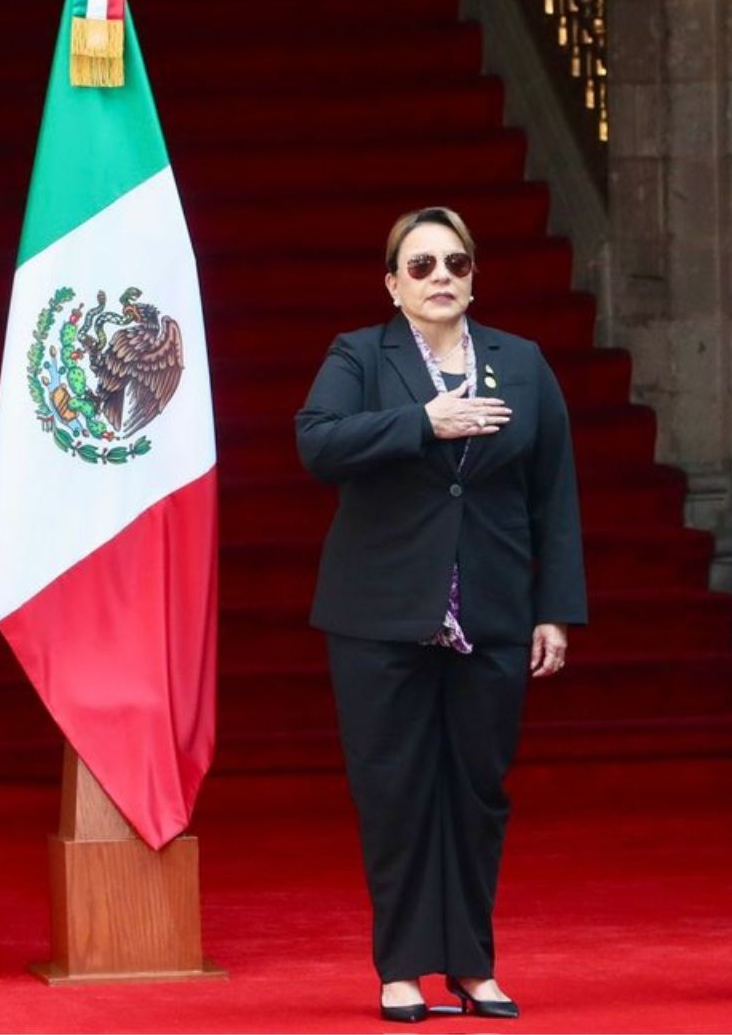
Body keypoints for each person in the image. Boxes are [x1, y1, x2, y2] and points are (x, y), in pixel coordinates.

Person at [295, 206, 587, 1023]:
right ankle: (401, 968)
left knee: (478, 792)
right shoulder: (360, 354)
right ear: (392, 284)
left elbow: (554, 492)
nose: (440, 278)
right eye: (420, 266)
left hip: (491, 610)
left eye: (455, 264)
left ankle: (473, 964)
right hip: (380, 611)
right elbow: (317, 443)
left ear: (474, 276)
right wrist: (423, 423)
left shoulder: (520, 362)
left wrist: (555, 610)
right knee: (393, 791)